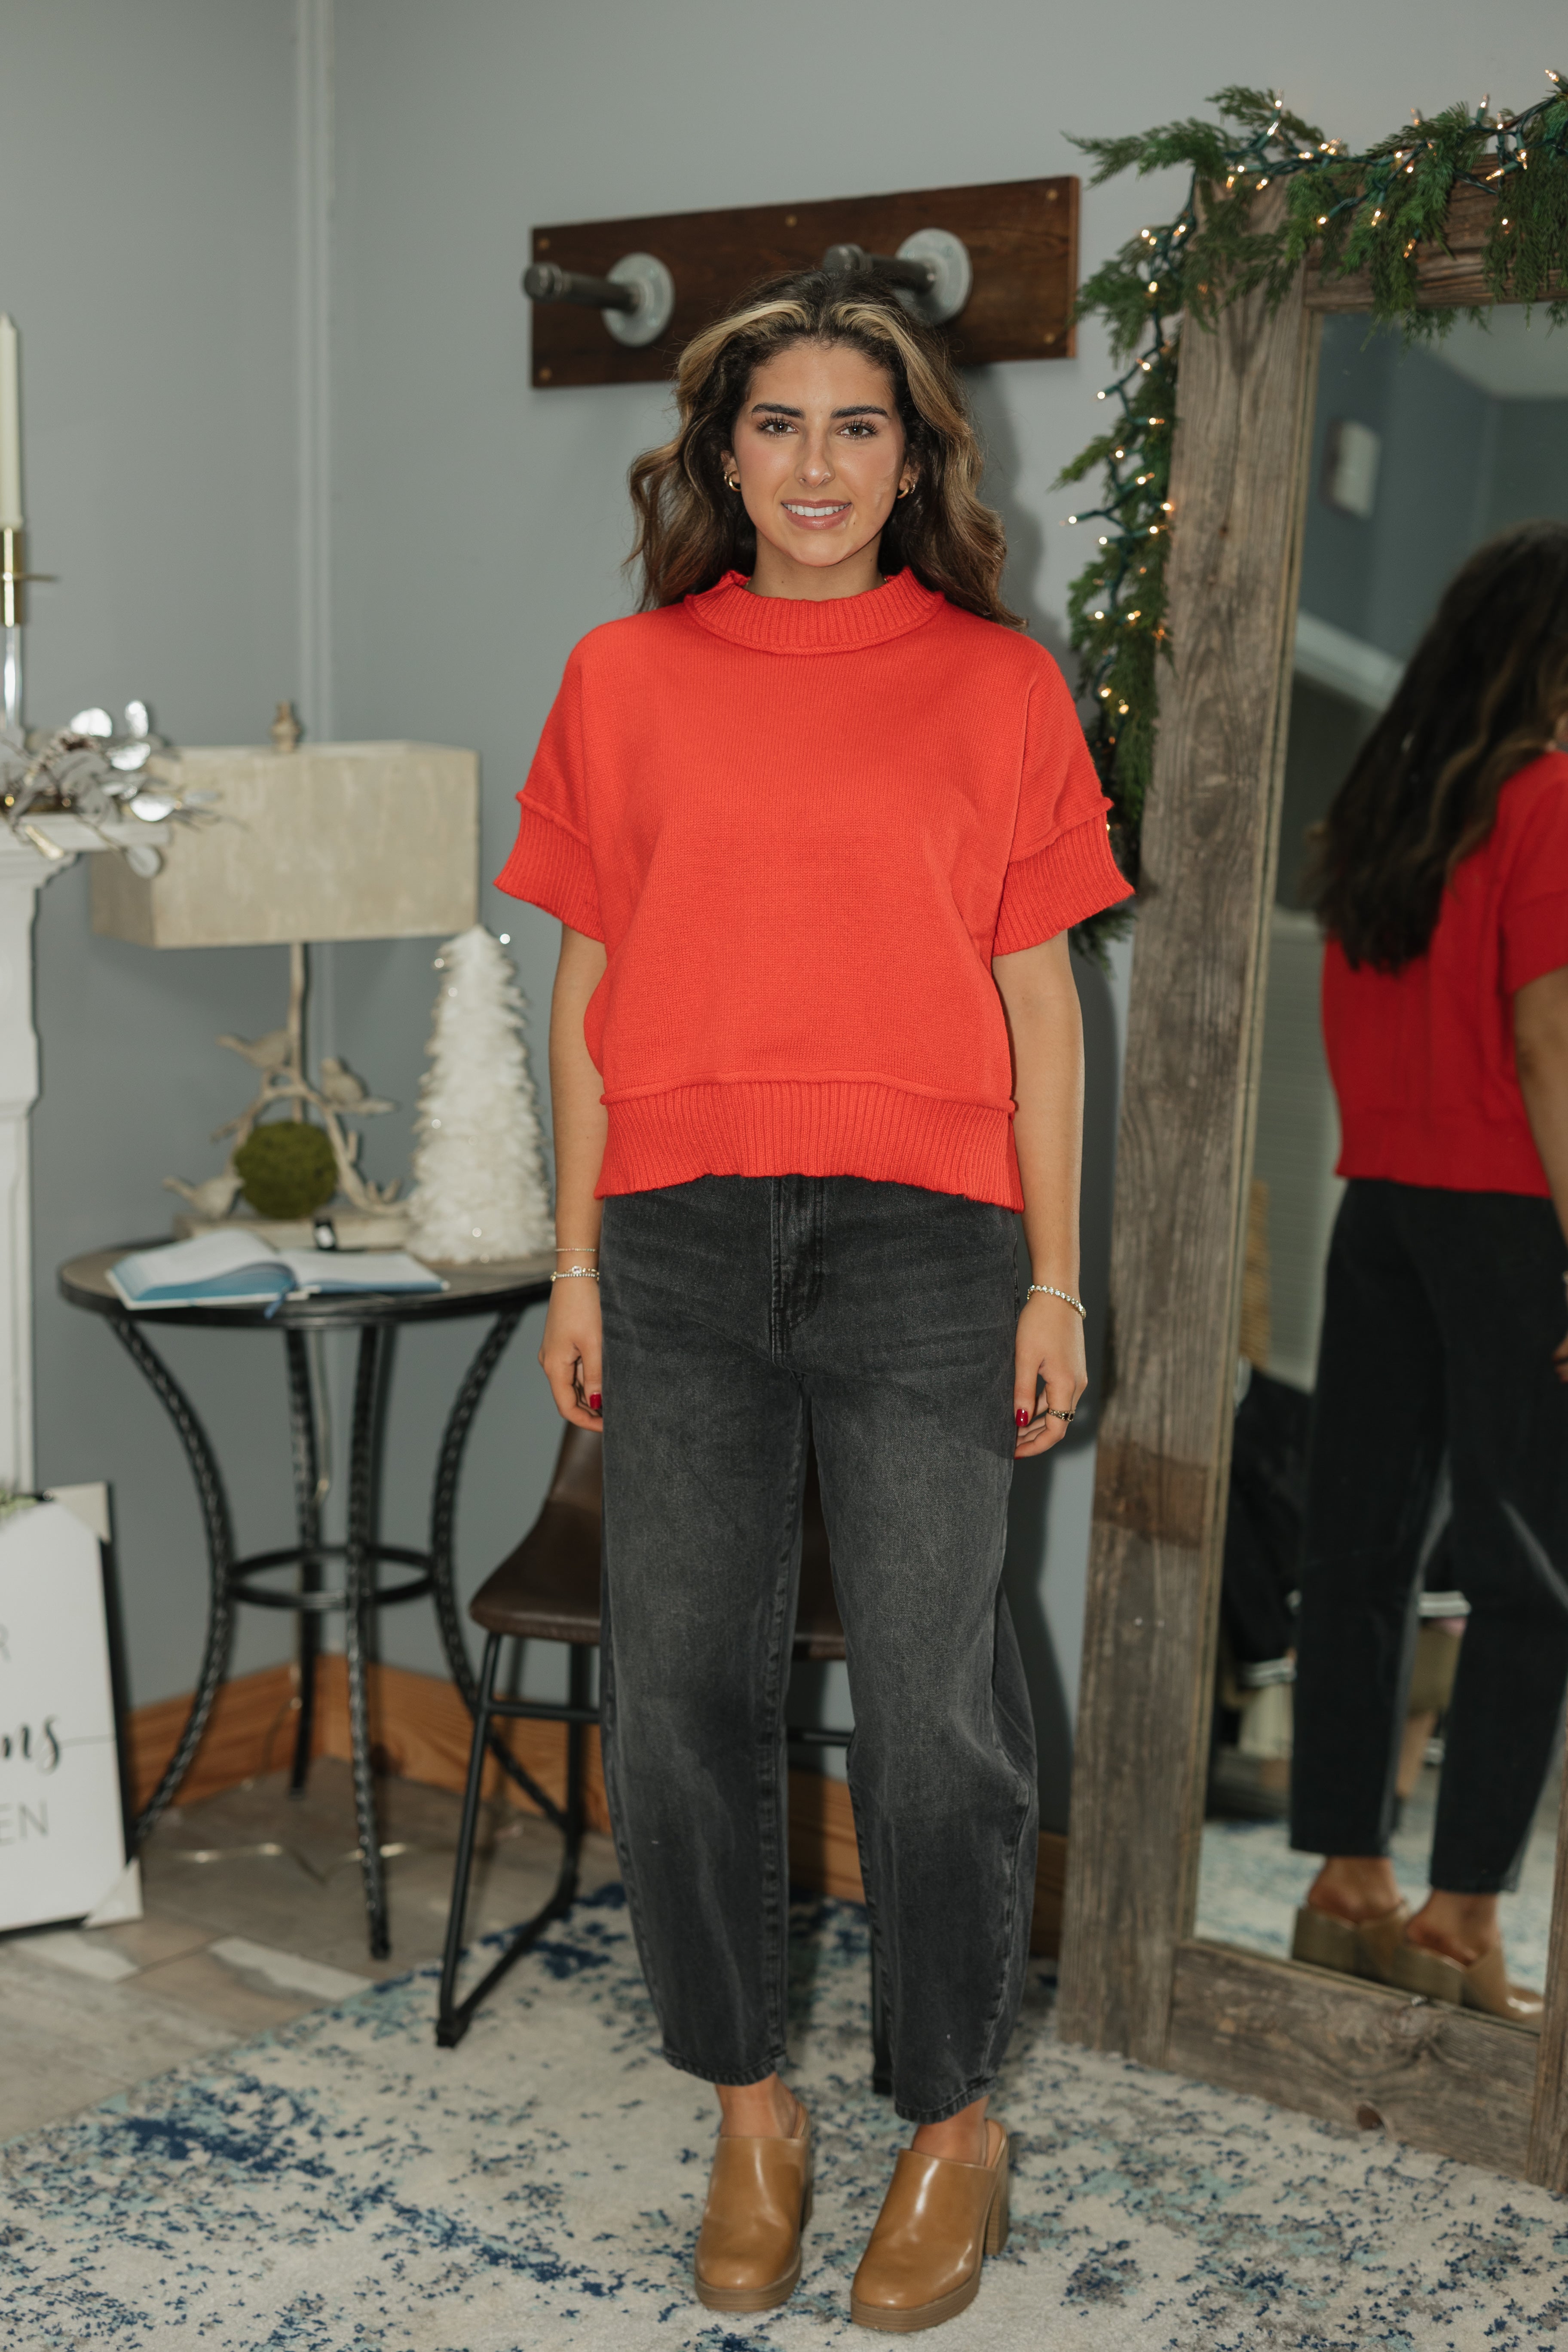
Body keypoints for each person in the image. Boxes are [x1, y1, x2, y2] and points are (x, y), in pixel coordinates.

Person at [497, 267, 1128, 2329]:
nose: (821, 464)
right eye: (781, 425)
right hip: (674, 1236)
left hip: (931, 1251)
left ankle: (953, 2122)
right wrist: (578, 1253)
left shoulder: (997, 685)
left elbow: (1040, 1000)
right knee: (681, 1692)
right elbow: (589, 984)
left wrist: (1056, 1277)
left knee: (938, 1711)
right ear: (720, 452)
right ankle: (750, 2105)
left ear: (919, 455)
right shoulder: (623, 676)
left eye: (864, 425)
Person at [1290, 521, 1568, 2025]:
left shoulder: (1389, 810)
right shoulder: (1551, 800)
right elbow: (1548, 1044)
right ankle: (1460, 1916)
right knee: (1535, 1580)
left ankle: (1347, 1876)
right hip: (1508, 1214)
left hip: (1378, 1207)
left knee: (1362, 1555)